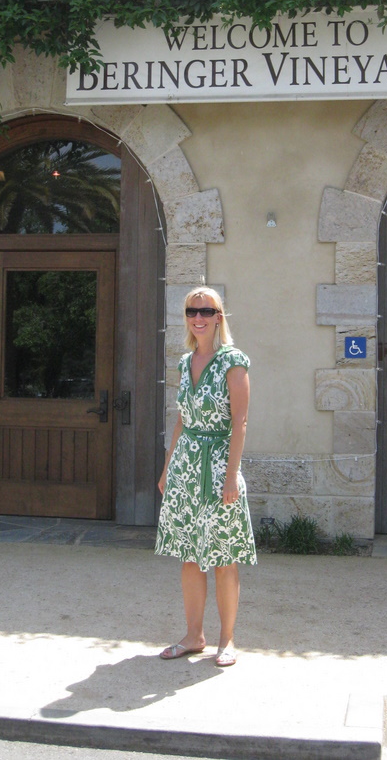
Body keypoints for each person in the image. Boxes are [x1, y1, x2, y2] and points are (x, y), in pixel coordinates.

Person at [155, 286, 257, 668]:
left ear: (218, 317)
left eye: (206, 311)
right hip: (185, 466)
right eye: (191, 311)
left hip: (218, 467)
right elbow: (182, 419)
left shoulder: (233, 361)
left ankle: (226, 640)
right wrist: (167, 467)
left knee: (223, 557)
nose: (198, 317)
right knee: (189, 556)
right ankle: (193, 635)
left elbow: (240, 421)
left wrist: (231, 476)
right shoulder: (185, 363)